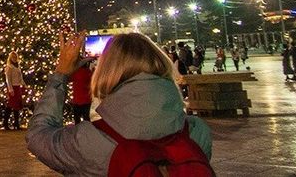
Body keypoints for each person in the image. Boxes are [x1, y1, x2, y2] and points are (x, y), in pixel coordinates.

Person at [27, 32, 213, 176]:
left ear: (107, 71)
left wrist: (60, 74)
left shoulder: (88, 141)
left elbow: (37, 136)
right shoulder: (196, 132)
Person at [4, 51, 26, 131]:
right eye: (13, 57)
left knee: (17, 106)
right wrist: (10, 89)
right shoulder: (9, 67)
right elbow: (8, 79)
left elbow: (20, 77)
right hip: (13, 87)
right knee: (10, 105)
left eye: (15, 57)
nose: (14, 58)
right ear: (10, 58)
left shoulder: (17, 66)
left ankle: (16, 123)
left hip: (18, 87)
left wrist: (23, 84)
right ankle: (5, 123)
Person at [69, 58, 92, 125]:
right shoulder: (88, 72)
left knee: (77, 119)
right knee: (86, 118)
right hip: (86, 100)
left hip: (77, 100)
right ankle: (87, 131)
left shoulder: (75, 73)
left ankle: (77, 131)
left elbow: (69, 79)